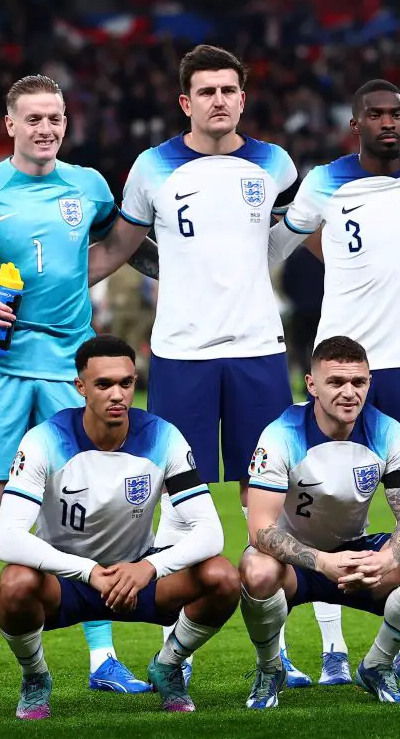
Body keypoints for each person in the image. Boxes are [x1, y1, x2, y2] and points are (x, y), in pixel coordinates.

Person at [0, 75, 156, 698]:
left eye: (55, 118)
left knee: (82, 504)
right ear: (11, 124)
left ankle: (102, 657)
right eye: (34, 118)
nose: (46, 128)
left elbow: (121, 242)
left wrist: (94, 277)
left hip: (65, 366)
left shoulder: (89, 185)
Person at [86, 44, 309, 682]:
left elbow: (298, 232)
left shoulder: (275, 163)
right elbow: (120, 248)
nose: (218, 100)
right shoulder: (152, 167)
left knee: (269, 503)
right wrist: (55, 285)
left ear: (242, 97)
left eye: (228, 90)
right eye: (205, 91)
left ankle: (276, 655)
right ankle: (171, 655)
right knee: (174, 506)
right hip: (182, 352)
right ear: (186, 102)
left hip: (259, 351)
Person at [0, 336, 239, 718]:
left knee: (222, 576)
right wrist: (90, 573)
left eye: (126, 383)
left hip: (136, 576)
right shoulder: (45, 440)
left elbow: (211, 531)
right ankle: (35, 677)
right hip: (68, 580)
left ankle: (169, 663)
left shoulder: (162, 436)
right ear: (81, 387)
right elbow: (6, 540)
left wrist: (149, 568)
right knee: (13, 584)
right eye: (104, 384)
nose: (117, 394)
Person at [239, 336, 400, 708]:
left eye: (358, 382)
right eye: (336, 382)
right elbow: (260, 530)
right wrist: (320, 562)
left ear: (369, 383)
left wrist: (388, 558)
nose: (349, 393)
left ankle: (377, 664)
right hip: (294, 561)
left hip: (353, 555)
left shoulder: (387, 431)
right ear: (312, 384)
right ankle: (270, 669)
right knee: (256, 571)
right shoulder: (281, 434)